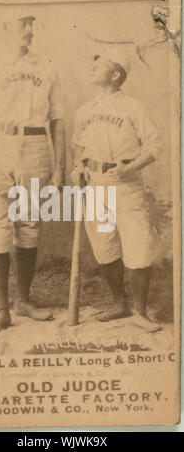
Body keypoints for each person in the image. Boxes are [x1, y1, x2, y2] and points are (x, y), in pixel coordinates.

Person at [0, 14, 65, 334]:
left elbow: (57, 120)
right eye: (20, 24)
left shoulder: (46, 67)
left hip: (36, 146)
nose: (28, 31)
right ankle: (2, 312)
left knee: (28, 225)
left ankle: (23, 301)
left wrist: (60, 166)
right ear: (3, 28)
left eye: (31, 25)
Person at [71, 48, 162, 332]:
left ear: (114, 75)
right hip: (95, 184)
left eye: (100, 65)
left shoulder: (133, 106)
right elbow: (78, 147)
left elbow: (154, 146)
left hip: (125, 183)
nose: (92, 68)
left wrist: (131, 167)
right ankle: (119, 304)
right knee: (104, 247)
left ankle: (141, 313)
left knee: (138, 247)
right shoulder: (85, 110)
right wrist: (78, 167)